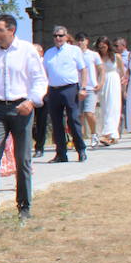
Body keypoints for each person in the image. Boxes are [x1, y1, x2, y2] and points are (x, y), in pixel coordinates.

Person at [0, 15, 48, 223]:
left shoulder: (27, 50)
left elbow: (39, 80)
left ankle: (24, 206)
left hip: (21, 107)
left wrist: (31, 101)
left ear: (11, 30)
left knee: (22, 158)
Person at [43, 26, 88, 163]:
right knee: (56, 123)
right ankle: (61, 153)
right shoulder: (49, 53)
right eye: (55, 36)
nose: (58, 38)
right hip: (53, 90)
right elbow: (44, 73)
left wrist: (83, 88)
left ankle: (81, 150)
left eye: (61, 36)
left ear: (66, 36)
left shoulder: (74, 50)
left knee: (73, 121)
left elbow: (83, 69)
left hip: (70, 89)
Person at [76, 33, 103, 148]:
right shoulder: (74, 54)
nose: (80, 42)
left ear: (87, 41)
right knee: (78, 115)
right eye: (78, 40)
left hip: (91, 87)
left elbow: (101, 69)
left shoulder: (93, 54)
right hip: (77, 87)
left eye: (82, 40)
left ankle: (94, 134)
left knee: (89, 113)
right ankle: (79, 138)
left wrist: (100, 83)